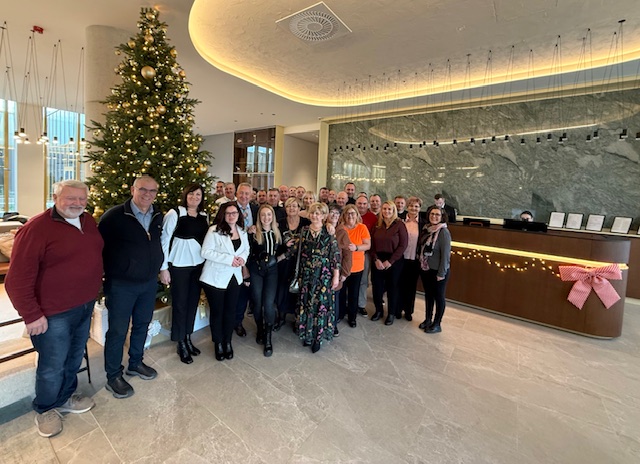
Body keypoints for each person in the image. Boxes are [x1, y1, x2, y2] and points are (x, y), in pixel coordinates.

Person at [5, 180, 103, 438]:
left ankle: (65, 397)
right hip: (53, 313)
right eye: (71, 198)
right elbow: (16, 280)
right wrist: (31, 315)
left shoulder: (88, 222)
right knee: (52, 364)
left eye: (82, 199)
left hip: (84, 306)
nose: (77, 203)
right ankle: (46, 407)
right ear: (55, 197)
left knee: (73, 357)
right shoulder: (36, 228)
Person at [99, 175, 163, 399]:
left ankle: (135, 363)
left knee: (142, 325)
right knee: (117, 331)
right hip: (121, 285)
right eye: (143, 189)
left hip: (148, 282)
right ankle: (113, 376)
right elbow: (99, 248)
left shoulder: (157, 215)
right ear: (132, 190)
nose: (147, 194)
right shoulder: (114, 216)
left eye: (152, 191)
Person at [159, 183, 209, 364]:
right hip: (179, 266)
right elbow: (164, 241)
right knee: (180, 304)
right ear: (185, 195)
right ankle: (180, 342)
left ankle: (188, 337)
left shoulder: (204, 216)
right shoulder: (175, 214)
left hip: (198, 266)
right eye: (191, 194)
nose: (194, 197)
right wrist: (163, 268)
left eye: (198, 195)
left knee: (192, 303)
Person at [200, 202, 250, 360]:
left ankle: (227, 341)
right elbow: (205, 252)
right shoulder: (214, 230)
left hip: (234, 277)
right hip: (215, 278)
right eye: (228, 213)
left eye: (234, 213)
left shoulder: (242, 231)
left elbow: (246, 249)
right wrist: (229, 259)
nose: (231, 216)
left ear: (238, 214)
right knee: (218, 312)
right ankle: (218, 343)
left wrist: (242, 259)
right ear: (223, 215)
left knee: (230, 311)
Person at [297, 202, 341, 353]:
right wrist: (279, 258)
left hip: (323, 275)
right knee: (307, 304)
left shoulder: (328, 231)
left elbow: (335, 255)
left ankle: (318, 337)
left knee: (320, 306)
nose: (314, 216)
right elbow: (297, 249)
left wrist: (336, 276)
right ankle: (308, 334)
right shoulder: (304, 231)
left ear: (323, 216)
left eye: (318, 213)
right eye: (312, 213)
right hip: (306, 274)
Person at [247, 204, 286, 357]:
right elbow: (247, 252)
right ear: (259, 217)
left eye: (269, 214)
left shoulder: (277, 232)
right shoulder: (253, 232)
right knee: (257, 302)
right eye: (263, 215)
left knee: (268, 303)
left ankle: (268, 338)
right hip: (256, 270)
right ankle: (260, 329)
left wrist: (279, 258)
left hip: (272, 271)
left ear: (273, 216)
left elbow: (284, 249)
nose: (266, 218)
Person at [370, 201, 408, 325]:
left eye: (389, 209)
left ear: (394, 211)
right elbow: (371, 244)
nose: (386, 211)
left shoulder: (400, 225)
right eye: (384, 209)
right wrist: (376, 259)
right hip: (378, 259)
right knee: (377, 287)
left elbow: (403, 245)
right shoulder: (377, 225)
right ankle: (378, 311)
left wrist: (391, 261)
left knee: (393, 287)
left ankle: (391, 313)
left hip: (394, 260)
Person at [275, 198, 310, 329]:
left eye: (294, 206)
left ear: (299, 208)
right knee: (282, 289)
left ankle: (297, 319)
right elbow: (275, 242)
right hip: (283, 261)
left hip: (300, 261)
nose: (291, 208)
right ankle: (281, 317)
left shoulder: (306, 223)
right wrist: (284, 244)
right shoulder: (280, 223)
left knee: (298, 290)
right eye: (289, 206)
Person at [418, 205, 452, 334]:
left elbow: (445, 256)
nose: (434, 216)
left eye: (437, 214)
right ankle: (428, 319)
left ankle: (437, 323)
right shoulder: (427, 229)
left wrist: (441, 273)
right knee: (429, 296)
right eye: (432, 214)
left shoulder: (443, 232)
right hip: (426, 269)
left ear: (442, 217)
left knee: (439, 297)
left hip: (438, 271)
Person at [339, 204, 371, 328]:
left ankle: (352, 317)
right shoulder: (340, 228)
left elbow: (368, 245)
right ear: (344, 215)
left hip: (357, 266)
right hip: (342, 266)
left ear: (357, 215)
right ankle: (340, 313)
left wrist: (356, 247)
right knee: (341, 292)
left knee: (354, 293)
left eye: (353, 213)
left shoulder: (362, 227)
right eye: (348, 213)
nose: (350, 216)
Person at [233, 183, 258, 337]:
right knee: (235, 291)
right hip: (234, 255)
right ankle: (231, 320)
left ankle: (238, 321)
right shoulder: (229, 208)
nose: (244, 196)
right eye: (241, 193)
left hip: (251, 255)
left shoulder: (255, 209)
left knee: (245, 292)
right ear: (237, 193)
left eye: (247, 194)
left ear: (251, 195)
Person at [398, 196, 425, 321]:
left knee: (411, 286)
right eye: (411, 206)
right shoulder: (400, 221)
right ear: (407, 207)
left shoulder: (423, 224)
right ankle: (397, 309)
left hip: (415, 259)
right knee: (399, 284)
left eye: (416, 206)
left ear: (420, 208)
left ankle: (408, 311)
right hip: (400, 258)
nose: (413, 208)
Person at [326, 203, 351, 336]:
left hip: (336, 271)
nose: (334, 215)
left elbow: (347, 254)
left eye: (337, 213)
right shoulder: (321, 228)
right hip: (322, 271)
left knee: (334, 299)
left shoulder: (342, 232)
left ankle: (333, 325)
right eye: (332, 212)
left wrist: (345, 273)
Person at [356, 194, 377, 316]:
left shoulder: (372, 217)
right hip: (350, 253)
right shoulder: (350, 214)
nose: (362, 206)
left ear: (368, 205)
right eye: (359, 203)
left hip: (365, 253)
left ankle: (361, 304)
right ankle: (349, 302)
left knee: (363, 280)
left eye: (364, 204)